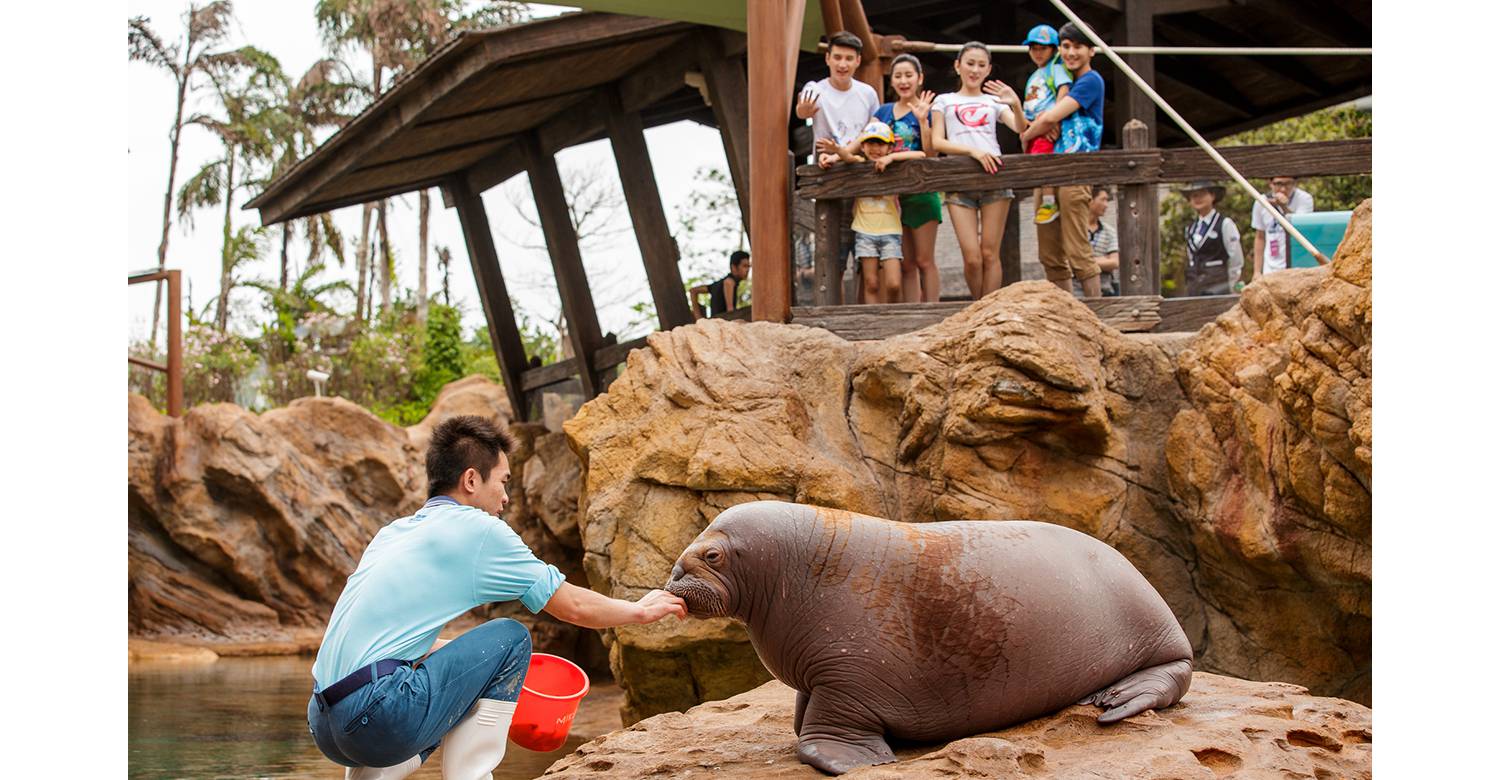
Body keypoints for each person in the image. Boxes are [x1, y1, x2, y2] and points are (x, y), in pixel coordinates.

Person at [307, 416, 687, 779]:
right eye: (503, 482)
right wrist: (639, 610)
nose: (505, 497)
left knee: (464, 663)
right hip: (379, 716)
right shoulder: (480, 529)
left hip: (326, 725)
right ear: (471, 479)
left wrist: (476, 669)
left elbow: (393, 648)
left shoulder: (394, 533)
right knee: (510, 638)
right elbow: (570, 604)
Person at [930, 41, 1026, 299]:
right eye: (970, 63)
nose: (975, 70)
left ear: (988, 70)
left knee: (989, 253)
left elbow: (1020, 127)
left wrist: (1015, 103)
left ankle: (989, 311)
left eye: (981, 65)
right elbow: (937, 142)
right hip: (960, 181)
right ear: (957, 65)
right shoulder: (944, 101)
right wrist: (972, 151)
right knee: (972, 257)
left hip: (994, 178)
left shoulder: (993, 101)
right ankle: (978, 306)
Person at [1022, 22, 1105, 297]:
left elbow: (1049, 118)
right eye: (1066, 47)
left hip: (1076, 170)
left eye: (1078, 46)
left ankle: (1096, 315)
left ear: (1091, 50)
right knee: (1050, 253)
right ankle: (1066, 315)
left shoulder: (1090, 81)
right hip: (1048, 171)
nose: (1071, 53)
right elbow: (1043, 115)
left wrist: (1028, 134)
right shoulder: (1052, 81)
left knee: (1077, 249)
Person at [800, 31, 880, 301]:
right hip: (830, 177)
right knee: (832, 253)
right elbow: (802, 110)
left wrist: (843, 152)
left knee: (867, 253)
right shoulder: (816, 89)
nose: (842, 64)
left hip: (861, 174)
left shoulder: (867, 93)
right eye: (837, 57)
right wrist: (803, 112)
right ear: (827, 58)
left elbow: (874, 132)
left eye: (848, 58)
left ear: (858, 61)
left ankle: (864, 315)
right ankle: (833, 313)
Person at [872, 54, 942, 302]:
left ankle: (933, 311)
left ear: (920, 78)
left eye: (909, 75)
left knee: (925, 260)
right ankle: (913, 313)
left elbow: (931, 153)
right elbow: (867, 144)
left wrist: (923, 121)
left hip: (922, 192)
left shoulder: (931, 111)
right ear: (892, 81)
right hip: (891, 196)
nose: (903, 81)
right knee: (907, 264)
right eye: (898, 76)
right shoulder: (882, 113)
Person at [832, 120, 927, 303]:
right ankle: (871, 318)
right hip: (865, 232)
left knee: (893, 283)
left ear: (890, 147)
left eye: (881, 144)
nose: (875, 149)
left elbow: (921, 155)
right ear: (863, 146)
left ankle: (892, 314)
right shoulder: (859, 164)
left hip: (890, 231)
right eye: (870, 143)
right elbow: (848, 157)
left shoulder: (893, 167)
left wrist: (890, 158)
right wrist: (837, 150)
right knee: (871, 282)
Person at [1020, 24, 1072, 226]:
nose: (1038, 53)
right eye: (1034, 48)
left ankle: (1049, 201)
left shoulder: (1056, 68)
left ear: (1053, 49)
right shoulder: (1035, 74)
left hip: (1047, 124)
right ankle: (1045, 198)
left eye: (1043, 48)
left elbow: (1064, 90)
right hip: (1035, 124)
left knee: (1041, 158)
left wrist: (1055, 115)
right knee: (1034, 160)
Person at [1180, 180, 1245, 296]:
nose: (1197, 198)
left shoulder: (1225, 224)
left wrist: (1233, 285)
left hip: (1218, 285)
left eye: (1202, 194)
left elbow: (1235, 258)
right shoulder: (1190, 228)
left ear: (1212, 196)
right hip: (1195, 287)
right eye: (1194, 195)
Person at [1251, 174, 1315, 280]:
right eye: (1279, 184)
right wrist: (1257, 271)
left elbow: (1300, 229)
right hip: (1271, 267)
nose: (1283, 189)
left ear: (1294, 184)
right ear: (1270, 184)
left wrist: (1283, 207)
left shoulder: (1304, 199)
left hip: (1297, 266)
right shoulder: (1261, 201)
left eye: (1288, 184)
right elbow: (1260, 237)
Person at [690, 250, 750, 319]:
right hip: (722, 322)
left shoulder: (717, 285)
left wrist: (698, 317)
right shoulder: (729, 282)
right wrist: (698, 317)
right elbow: (730, 311)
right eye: (745, 266)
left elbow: (693, 291)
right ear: (734, 267)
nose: (747, 270)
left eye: (749, 267)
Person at [1086, 185, 1120, 296]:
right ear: (1090, 200)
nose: (1106, 205)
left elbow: (1114, 262)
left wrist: (1085, 260)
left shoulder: (1109, 231)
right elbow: (1069, 263)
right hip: (1078, 290)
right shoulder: (1075, 230)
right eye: (1103, 199)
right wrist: (1102, 259)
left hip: (1106, 289)